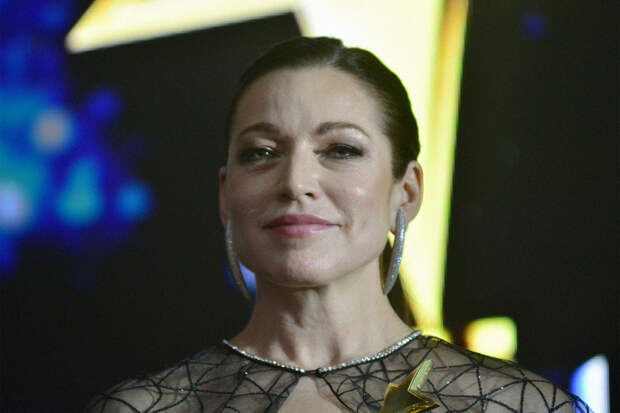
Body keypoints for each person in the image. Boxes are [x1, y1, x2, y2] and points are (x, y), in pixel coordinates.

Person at [85, 37, 591, 413]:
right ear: (225, 195)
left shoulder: (514, 406)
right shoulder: (145, 409)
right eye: (261, 153)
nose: (296, 182)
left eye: (341, 150)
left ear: (407, 191)